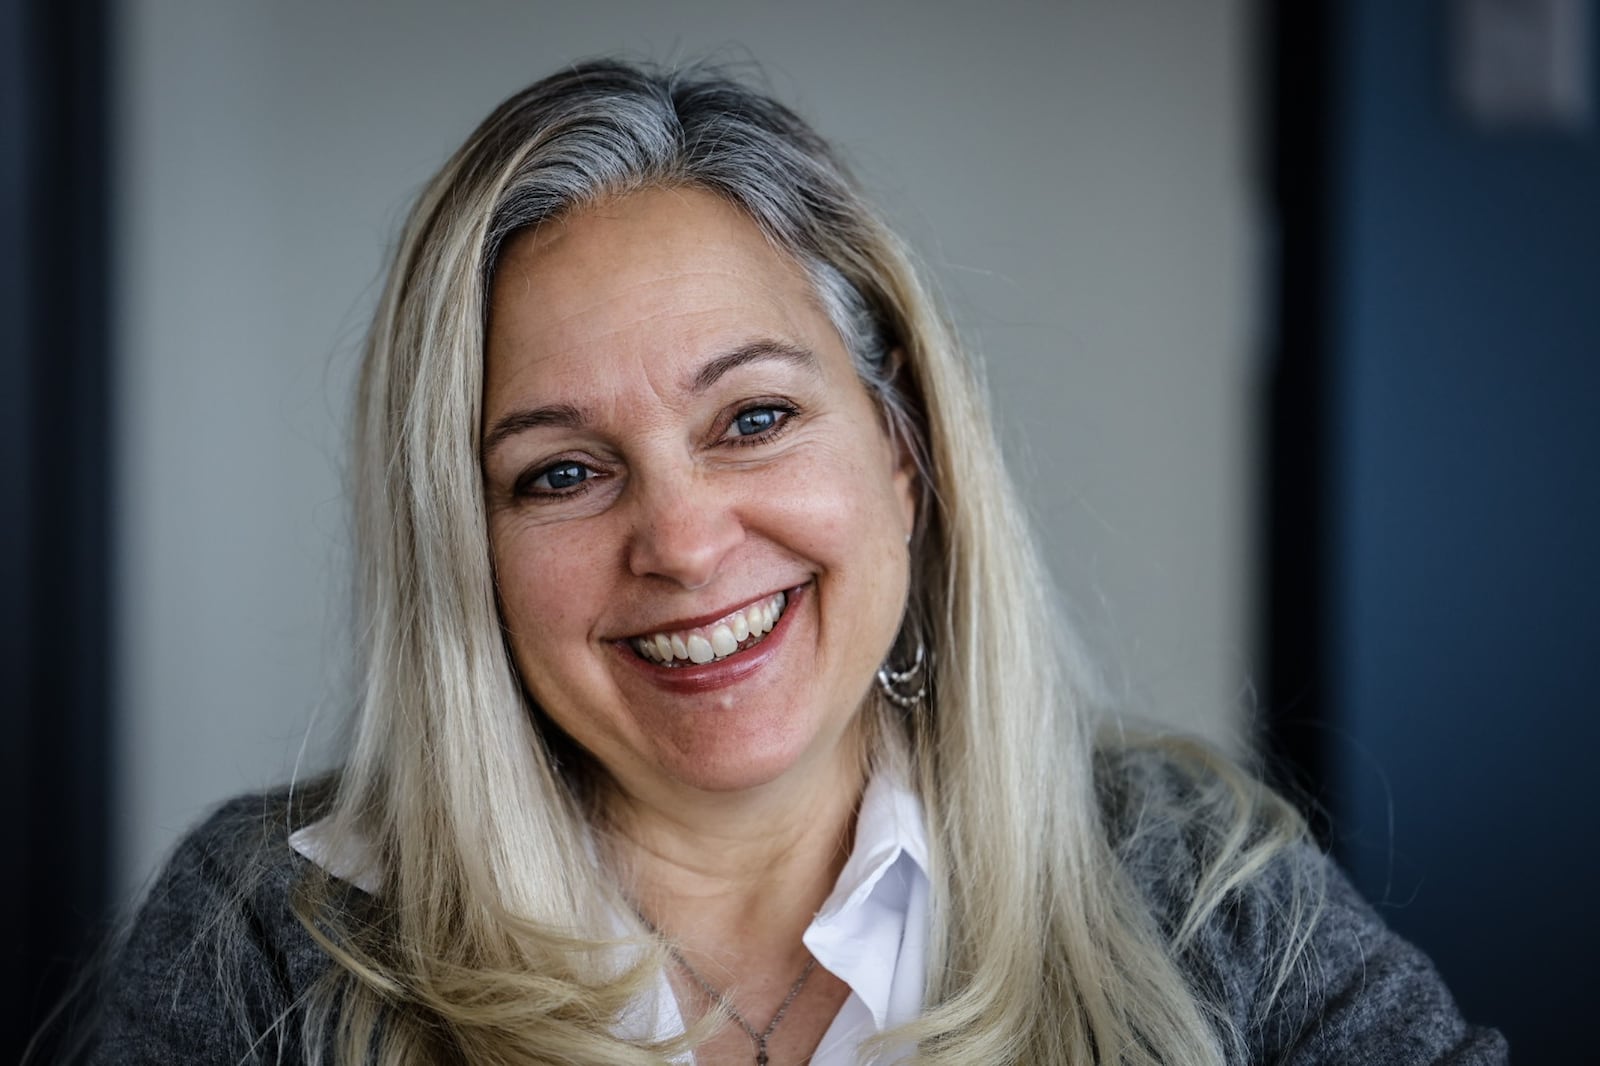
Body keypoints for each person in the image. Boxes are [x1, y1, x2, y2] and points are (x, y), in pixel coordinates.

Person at [82, 59, 1505, 1065]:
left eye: (754, 418)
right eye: (560, 472)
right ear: (469, 543)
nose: (687, 541)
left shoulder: (1202, 886)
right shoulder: (271, 932)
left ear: (905, 449)